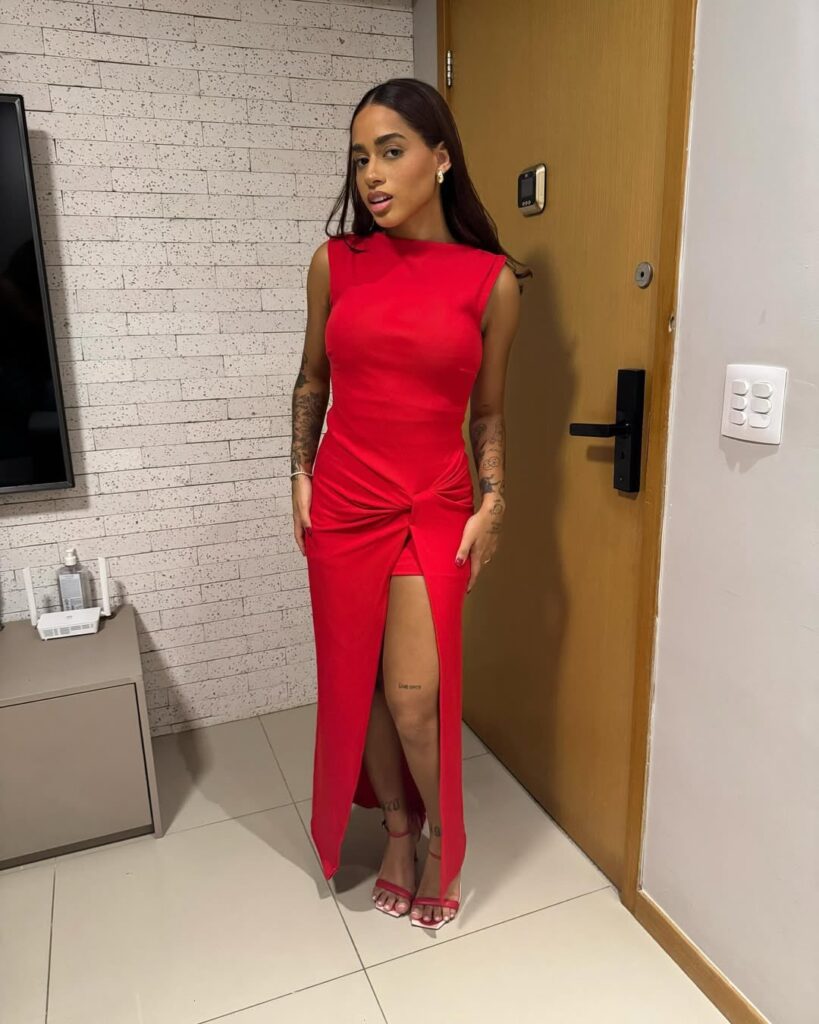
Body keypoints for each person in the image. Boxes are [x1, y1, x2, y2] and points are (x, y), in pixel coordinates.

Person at [290, 77, 527, 931]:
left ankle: (440, 838)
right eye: (361, 158)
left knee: (414, 696)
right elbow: (311, 380)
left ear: (441, 158)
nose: (372, 175)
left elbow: (488, 411)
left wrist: (494, 499)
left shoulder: (491, 282)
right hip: (343, 502)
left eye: (391, 152)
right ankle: (396, 827)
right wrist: (297, 472)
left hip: (433, 504)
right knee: (356, 685)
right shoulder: (335, 264)